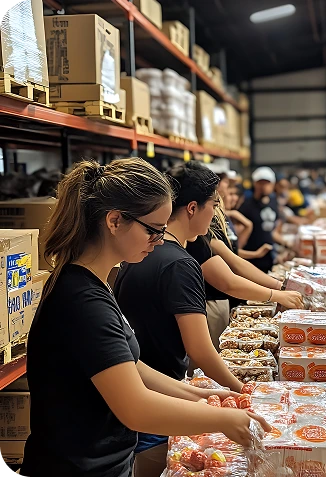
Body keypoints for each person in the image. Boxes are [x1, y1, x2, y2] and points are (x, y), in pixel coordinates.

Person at [22, 159, 268, 477]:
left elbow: (130, 368)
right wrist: (225, 419)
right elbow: (135, 408)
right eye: (153, 230)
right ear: (114, 221)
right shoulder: (82, 300)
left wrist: (204, 396)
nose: (158, 240)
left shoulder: (93, 282)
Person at [113, 162, 262, 476]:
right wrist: (242, 393)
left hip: (142, 394)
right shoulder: (180, 264)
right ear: (193, 208)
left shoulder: (138, 253)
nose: (217, 214)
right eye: (214, 206)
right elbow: (200, 350)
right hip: (157, 405)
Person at [186, 205, 303, 350]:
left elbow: (233, 260)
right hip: (209, 302)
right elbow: (230, 278)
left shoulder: (204, 232)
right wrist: (277, 292)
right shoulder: (196, 239)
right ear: (192, 207)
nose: (216, 211)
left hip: (220, 300)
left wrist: (280, 288)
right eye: (214, 204)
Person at [239, 167, 286, 272]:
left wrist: (285, 244)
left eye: (267, 183)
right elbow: (239, 234)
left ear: (273, 185)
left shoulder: (274, 202)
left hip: (270, 257)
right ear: (254, 184)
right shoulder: (246, 205)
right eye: (260, 183)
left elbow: (273, 229)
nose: (263, 186)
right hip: (251, 258)